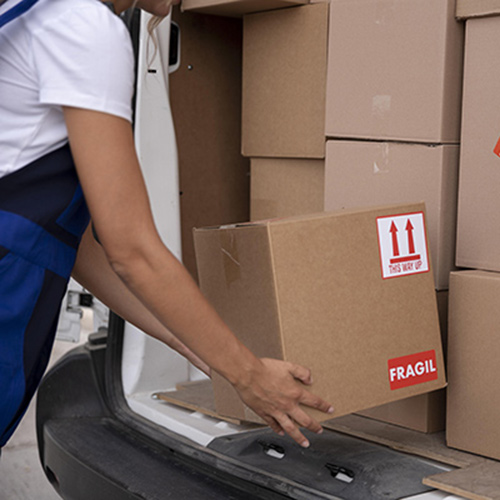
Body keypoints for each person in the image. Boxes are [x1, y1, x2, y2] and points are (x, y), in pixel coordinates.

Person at [0, 0, 334, 452]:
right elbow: (131, 250)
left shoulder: (36, 15)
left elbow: (66, 240)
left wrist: (197, 345)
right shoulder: (86, 29)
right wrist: (249, 377)